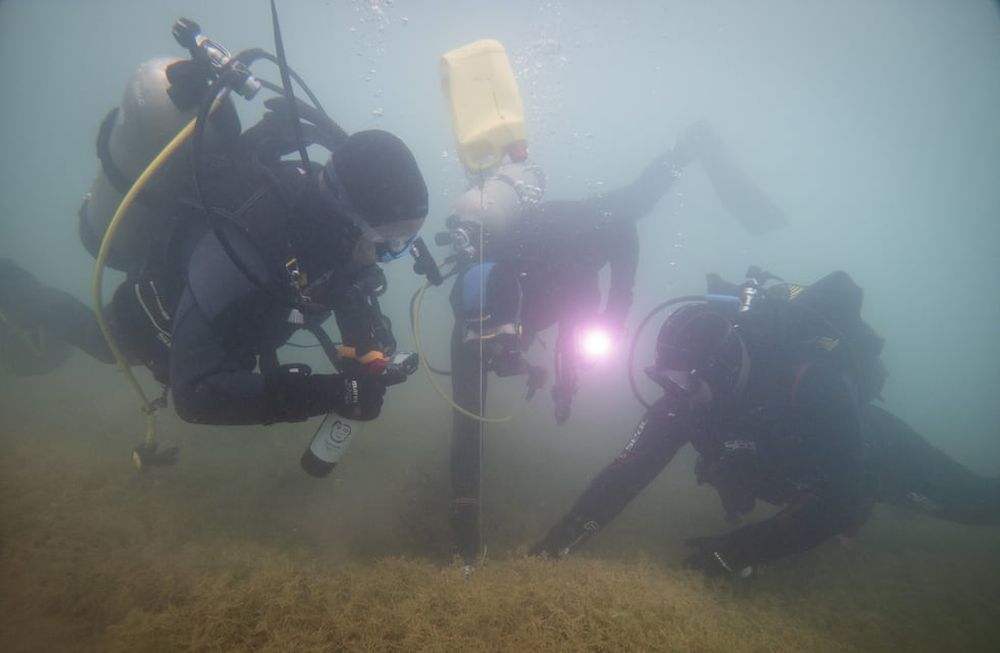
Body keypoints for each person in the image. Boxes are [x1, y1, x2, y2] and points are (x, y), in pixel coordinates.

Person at [0, 32, 429, 444]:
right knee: (101, 339)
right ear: (342, 219)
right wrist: (335, 393)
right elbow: (195, 395)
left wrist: (369, 353)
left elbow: (348, 288)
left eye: (404, 243)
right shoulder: (242, 246)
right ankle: (10, 284)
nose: (387, 256)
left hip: (241, 330)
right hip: (156, 320)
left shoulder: (333, 235)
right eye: (387, 242)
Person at [438, 122, 787, 565]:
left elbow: (591, 301)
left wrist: (611, 319)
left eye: (498, 339)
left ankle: (692, 144)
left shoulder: (574, 263)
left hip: (588, 230)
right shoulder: (472, 327)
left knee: (637, 202)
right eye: (483, 341)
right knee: (489, 397)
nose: (491, 352)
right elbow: (467, 432)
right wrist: (465, 540)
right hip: (559, 258)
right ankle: (466, 542)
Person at [530, 269, 1000, 577]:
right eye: (664, 378)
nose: (673, 393)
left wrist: (737, 551)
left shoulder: (813, 381)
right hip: (789, 476)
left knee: (980, 505)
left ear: (721, 368)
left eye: (686, 381)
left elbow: (842, 498)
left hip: (874, 457)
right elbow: (628, 471)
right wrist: (559, 541)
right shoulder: (686, 398)